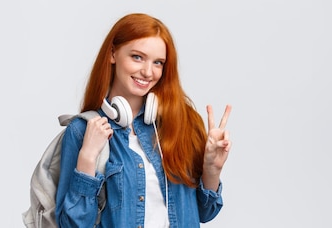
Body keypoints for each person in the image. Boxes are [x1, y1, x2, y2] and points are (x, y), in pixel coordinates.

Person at [55, 12, 232, 227]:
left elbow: (205, 212)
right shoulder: (82, 131)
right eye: (137, 57)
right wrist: (87, 158)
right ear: (113, 54)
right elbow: (72, 224)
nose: (148, 72)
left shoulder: (182, 122)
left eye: (158, 62)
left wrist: (211, 169)